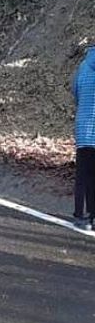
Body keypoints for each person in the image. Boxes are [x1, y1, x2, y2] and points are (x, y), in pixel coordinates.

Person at [73, 45, 95, 230]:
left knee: (82, 176)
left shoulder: (83, 66)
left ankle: (80, 216)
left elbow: (76, 93)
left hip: (83, 129)